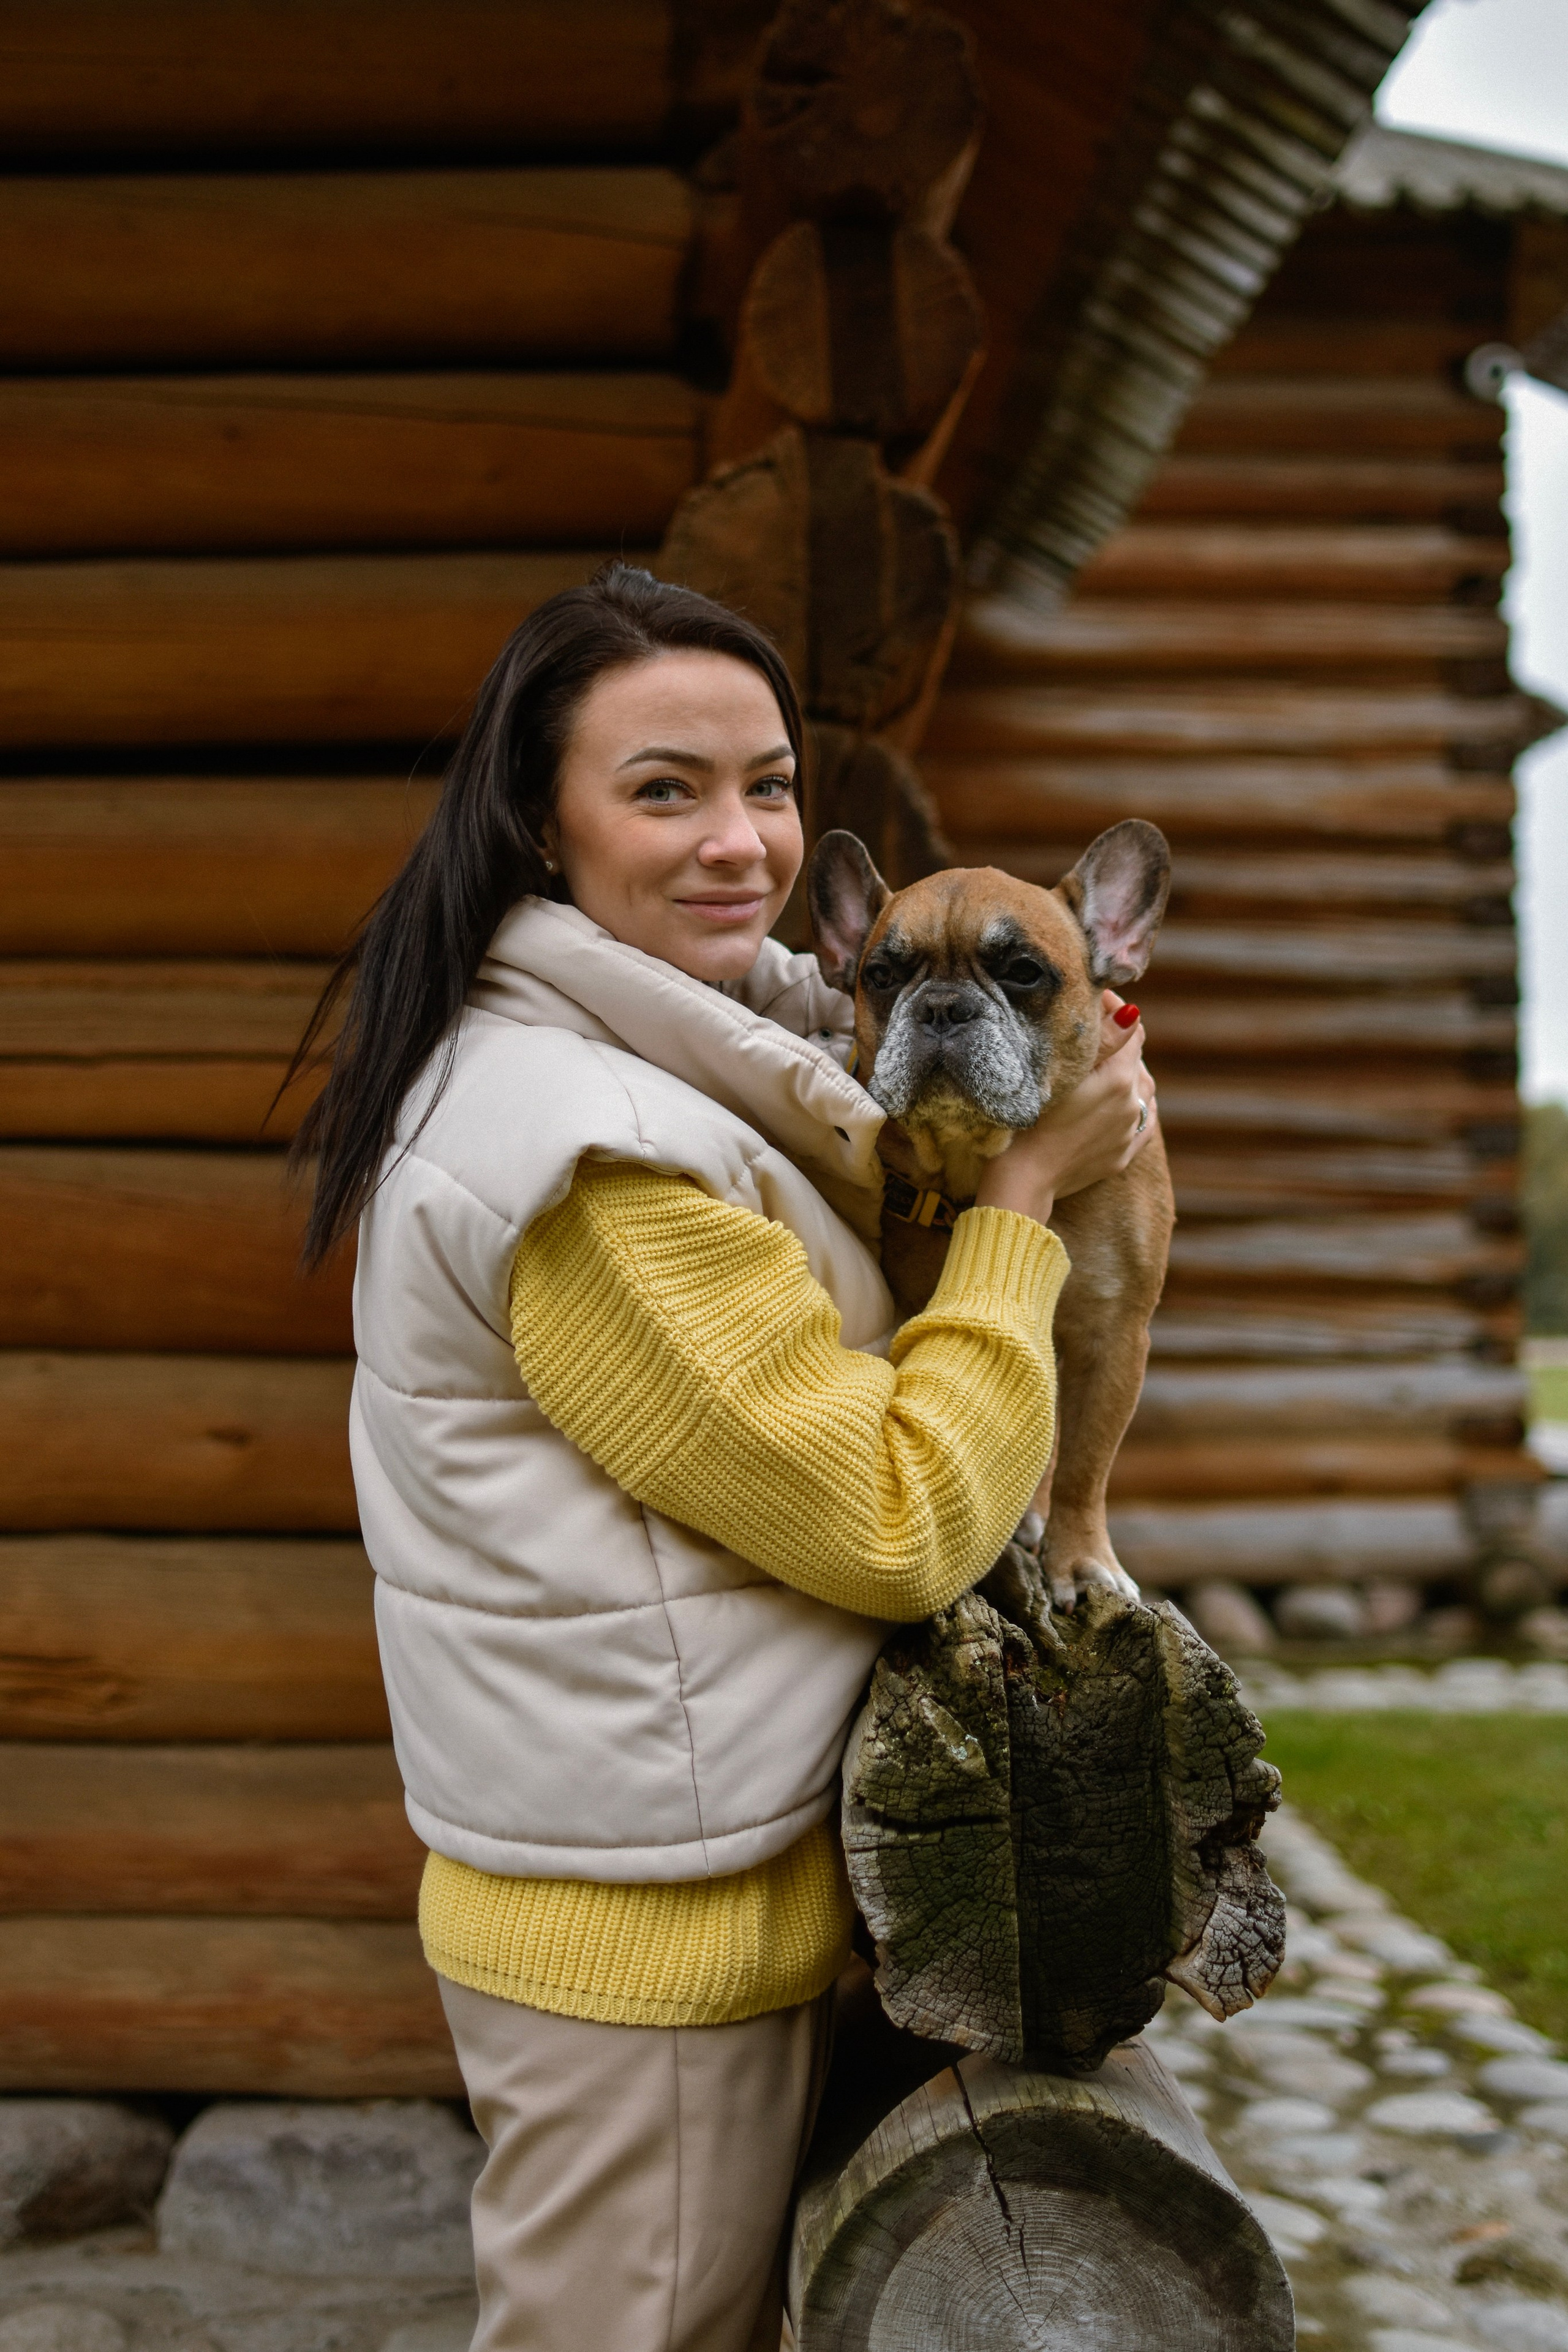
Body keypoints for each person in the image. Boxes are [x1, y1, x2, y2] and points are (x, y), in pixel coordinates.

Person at [295, 562, 1155, 2352]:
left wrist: (1012, 1050)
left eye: (767, 785)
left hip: (692, 1875)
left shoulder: (652, 1042)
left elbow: (825, 1016)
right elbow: (897, 1523)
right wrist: (1021, 1199)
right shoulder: (589, 1158)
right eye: (663, 789)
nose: (738, 841)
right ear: (540, 826)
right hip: (644, 1948)